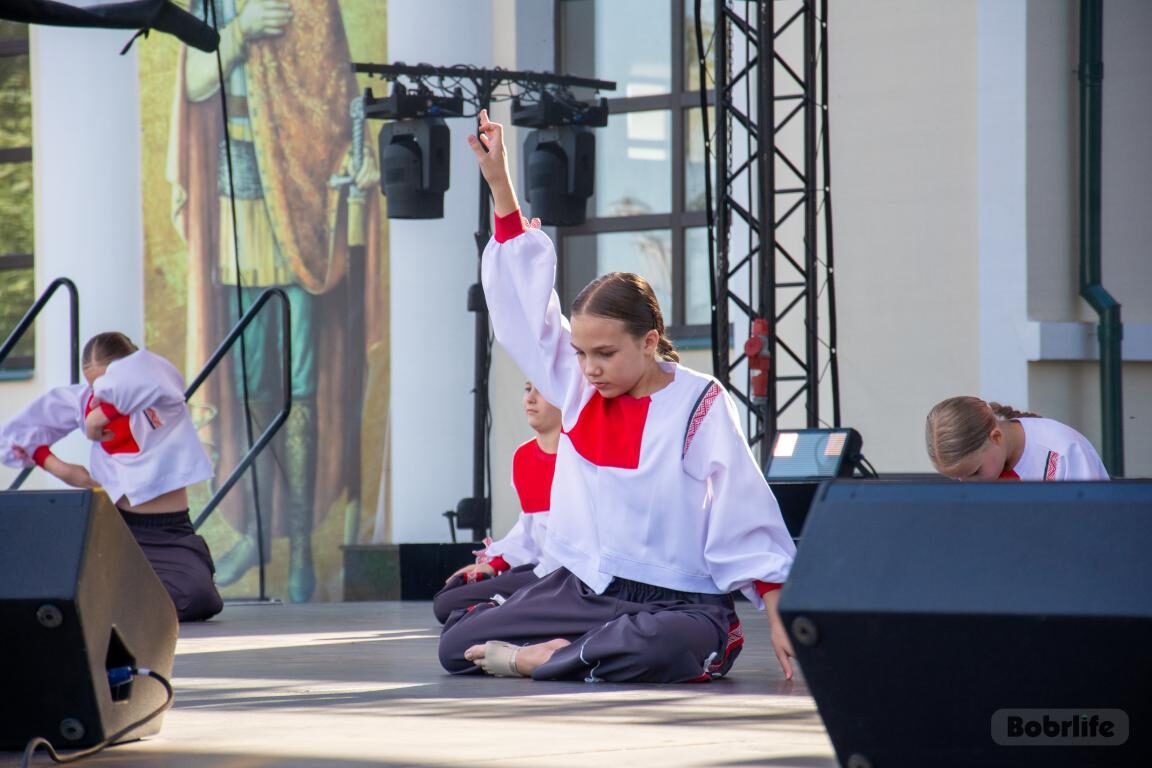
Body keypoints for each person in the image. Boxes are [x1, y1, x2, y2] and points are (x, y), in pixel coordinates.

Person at [437, 110, 797, 684]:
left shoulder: (699, 402)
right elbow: (528, 314)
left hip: (676, 600)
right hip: (587, 588)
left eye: (605, 353)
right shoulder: (579, 386)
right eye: (581, 352)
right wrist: (500, 182)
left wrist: (778, 612)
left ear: (649, 341)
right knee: (456, 647)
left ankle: (547, 656)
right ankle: (579, 652)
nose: (589, 367)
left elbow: (744, 508)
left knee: (663, 643)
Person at [169, 0, 383, 602]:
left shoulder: (311, 7)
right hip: (237, 209)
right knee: (247, 385)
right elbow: (196, 82)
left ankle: (301, 552)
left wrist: (353, 156)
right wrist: (239, 31)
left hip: (301, 219)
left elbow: (333, 97)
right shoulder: (214, 6)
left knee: (301, 385)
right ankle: (260, 531)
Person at [0, 332, 224, 621]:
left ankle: (117, 603)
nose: (98, 395)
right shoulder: (83, 401)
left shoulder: (161, 398)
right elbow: (13, 437)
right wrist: (61, 469)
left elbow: (151, 375)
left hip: (167, 532)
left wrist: (103, 413)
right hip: (114, 528)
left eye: (107, 385)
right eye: (94, 387)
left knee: (197, 598)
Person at [432, 382, 560, 624]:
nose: (530, 399)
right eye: (527, 389)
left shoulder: (581, 458)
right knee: (447, 599)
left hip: (569, 577)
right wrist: (493, 565)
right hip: (539, 571)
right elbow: (531, 529)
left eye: (541, 390)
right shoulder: (523, 457)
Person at [925, 396, 1110, 481]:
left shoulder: (1064, 452)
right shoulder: (989, 466)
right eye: (957, 479)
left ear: (996, 437)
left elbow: (1091, 523)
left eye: (975, 473)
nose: (967, 486)